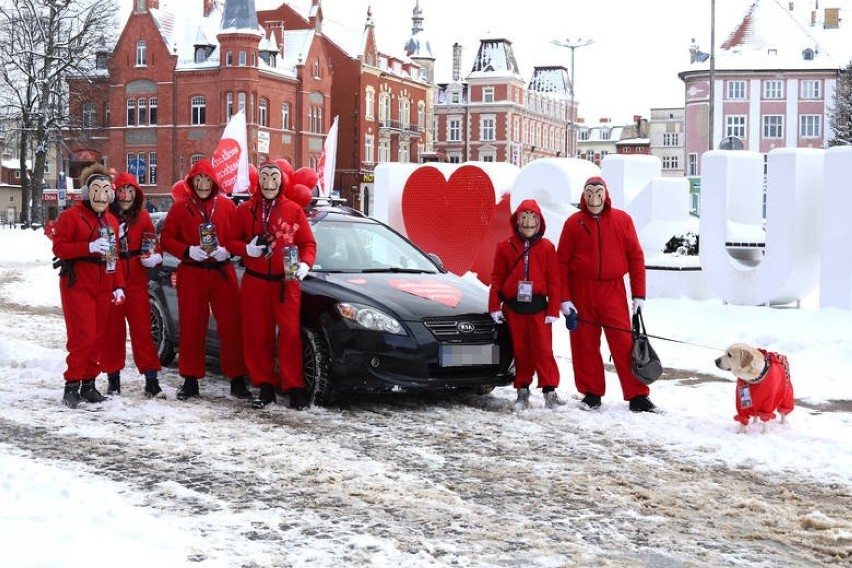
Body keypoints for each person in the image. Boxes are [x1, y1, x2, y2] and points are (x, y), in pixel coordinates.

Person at [557, 175, 656, 413]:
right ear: (583, 196)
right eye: (589, 194)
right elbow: (561, 263)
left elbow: (636, 256)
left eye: (598, 194)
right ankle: (591, 394)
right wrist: (565, 298)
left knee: (623, 342)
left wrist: (639, 295)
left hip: (613, 289)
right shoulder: (573, 223)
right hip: (582, 290)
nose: (594, 199)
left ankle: (637, 396)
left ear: (605, 195)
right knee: (584, 344)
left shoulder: (622, 220)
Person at [226, 162, 317, 410]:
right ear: (259, 182)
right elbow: (230, 240)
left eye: (274, 178)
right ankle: (265, 384)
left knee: (289, 335)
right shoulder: (246, 210)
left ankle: (293, 386)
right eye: (264, 178)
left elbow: (308, 243)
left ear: (281, 181)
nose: (269, 183)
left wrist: (306, 265)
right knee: (257, 335)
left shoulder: (294, 210)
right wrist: (247, 249)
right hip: (255, 280)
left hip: (285, 283)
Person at [159, 159, 251, 401]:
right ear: (191, 182)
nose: (202, 184)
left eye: (206, 180)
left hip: (222, 271)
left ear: (214, 182)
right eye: (198, 180)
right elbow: (166, 239)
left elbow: (239, 238)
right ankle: (190, 380)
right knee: (191, 326)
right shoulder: (180, 207)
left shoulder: (228, 206)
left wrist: (229, 251)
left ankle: (237, 378)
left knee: (232, 325)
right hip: (192, 271)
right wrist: (187, 250)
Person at [52, 164, 126, 408]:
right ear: (86, 193)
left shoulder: (112, 220)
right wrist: (88, 247)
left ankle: (89, 384)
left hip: (104, 283)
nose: (101, 196)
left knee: (97, 337)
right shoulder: (71, 217)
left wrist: (118, 285)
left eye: (106, 191)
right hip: (78, 283)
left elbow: (113, 256)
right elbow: (59, 248)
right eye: (96, 190)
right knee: (82, 337)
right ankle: (72, 385)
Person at [489, 199, 563, 410]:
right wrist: (494, 306)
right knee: (521, 351)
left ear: (540, 222)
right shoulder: (505, 247)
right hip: (514, 309)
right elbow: (497, 278)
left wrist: (553, 308)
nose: (529, 223)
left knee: (543, 350)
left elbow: (554, 280)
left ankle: (550, 391)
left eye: (533, 218)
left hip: (539, 308)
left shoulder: (548, 247)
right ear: (517, 221)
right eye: (524, 218)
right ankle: (522, 391)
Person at [100, 172, 165, 399]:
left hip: (137, 280)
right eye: (121, 191)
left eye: (130, 191)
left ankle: (151, 380)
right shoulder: (106, 218)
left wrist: (154, 256)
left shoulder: (144, 217)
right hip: (113, 281)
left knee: (143, 332)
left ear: (136, 194)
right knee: (112, 333)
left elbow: (153, 243)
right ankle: (113, 380)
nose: (125, 196)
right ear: (114, 194)